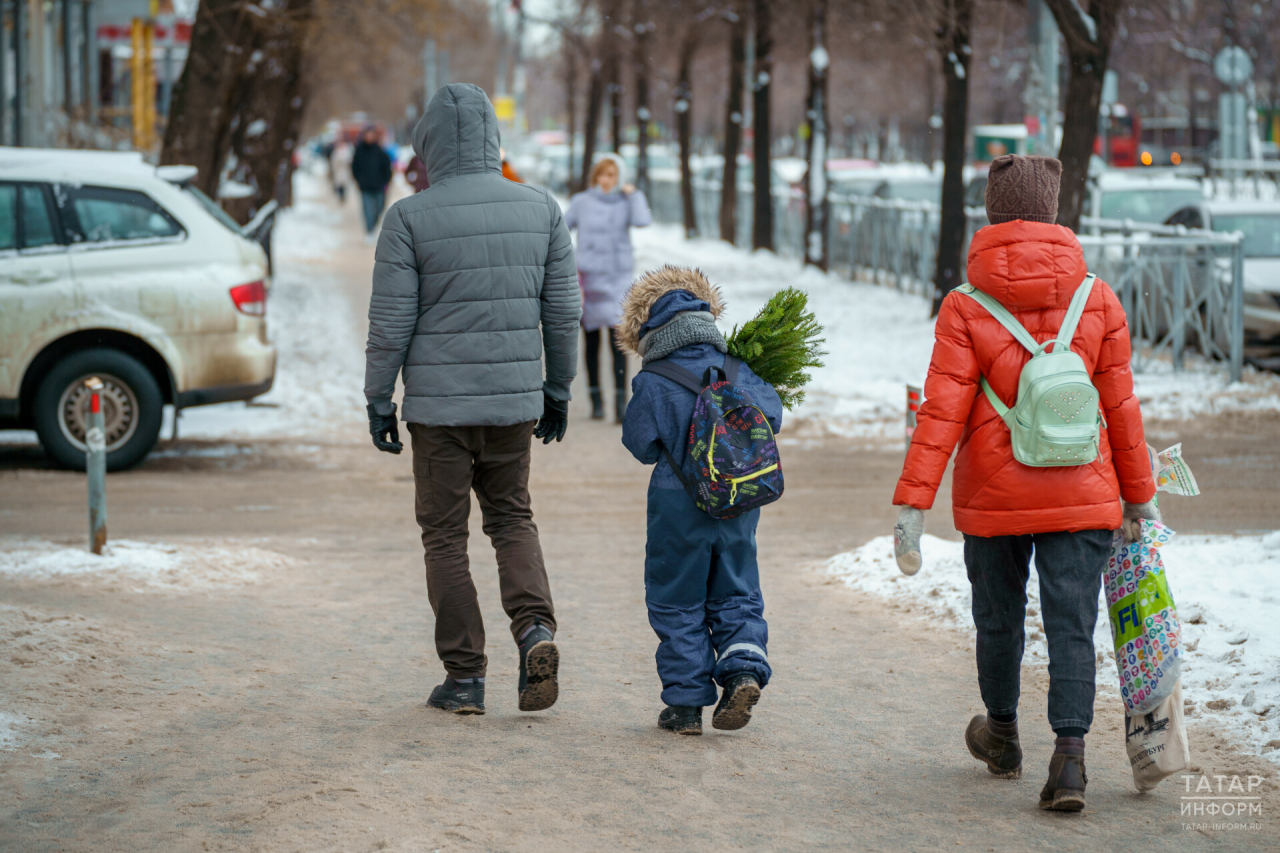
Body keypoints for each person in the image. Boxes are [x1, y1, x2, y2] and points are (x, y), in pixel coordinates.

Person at [891, 154, 1158, 811]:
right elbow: (1121, 407)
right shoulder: (1096, 296)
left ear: (990, 211)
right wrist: (1140, 496)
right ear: (1054, 211)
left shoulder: (964, 305)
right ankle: (1069, 759)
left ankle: (1003, 734)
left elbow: (942, 410)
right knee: (1073, 622)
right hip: (1083, 490)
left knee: (999, 618)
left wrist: (912, 503)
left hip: (993, 495)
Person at [363, 83, 580, 716]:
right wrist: (558, 387)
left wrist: (379, 399)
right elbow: (563, 312)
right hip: (514, 407)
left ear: (429, 146)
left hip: (439, 414)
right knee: (512, 518)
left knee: (445, 538)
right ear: (493, 138)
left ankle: (464, 679)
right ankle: (535, 631)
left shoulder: (409, 217)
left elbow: (390, 322)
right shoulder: (540, 209)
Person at [619, 266, 781, 736]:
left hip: (678, 505)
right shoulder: (739, 368)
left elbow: (641, 444)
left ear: (648, 329)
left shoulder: (654, 379)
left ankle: (686, 705)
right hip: (738, 500)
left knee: (676, 598)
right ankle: (744, 670)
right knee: (736, 591)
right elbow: (772, 417)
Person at [564, 156, 651, 423]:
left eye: (613, 175)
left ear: (620, 177)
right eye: (603, 174)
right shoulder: (581, 202)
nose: (607, 180)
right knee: (591, 343)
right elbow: (561, 227)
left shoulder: (627, 202)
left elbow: (642, 220)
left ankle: (620, 403)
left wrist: (634, 194)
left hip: (618, 281)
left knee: (618, 343)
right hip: (589, 281)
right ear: (595, 176)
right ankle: (596, 401)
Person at [351, 125, 392, 239]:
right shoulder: (359, 151)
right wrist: (358, 180)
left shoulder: (380, 151)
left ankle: (373, 226)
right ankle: (369, 231)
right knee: (368, 210)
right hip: (365, 187)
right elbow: (354, 167)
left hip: (379, 186)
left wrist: (387, 181)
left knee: (379, 208)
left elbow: (387, 168)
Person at [331, 139, 352, 204]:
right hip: (338, 171)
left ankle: (343, 196)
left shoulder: (347, 151)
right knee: (339, 184)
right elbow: (333, 162)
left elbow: (349, 161)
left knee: (344, 185)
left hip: (345, 171)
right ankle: (340, 195)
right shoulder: (336, 152)